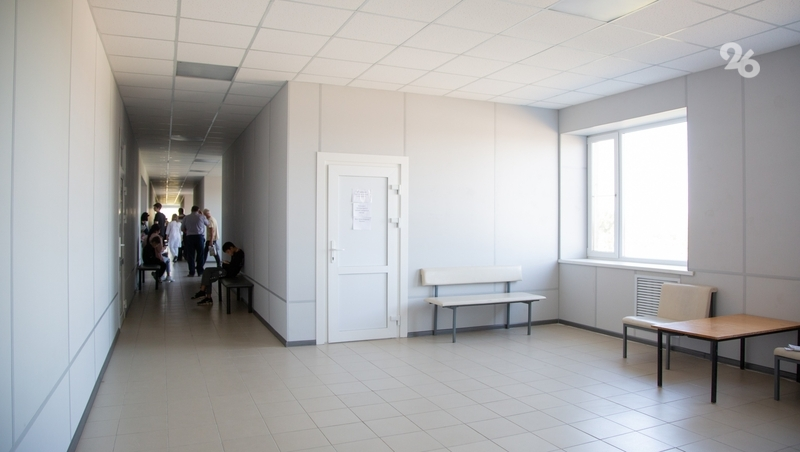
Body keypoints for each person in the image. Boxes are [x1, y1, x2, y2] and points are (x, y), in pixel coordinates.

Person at [182, 205, 208, 277]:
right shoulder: (202, 217)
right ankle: (200, 271)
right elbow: (208, 224)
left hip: (190, 237)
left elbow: (182, 228)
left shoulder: (186, 217)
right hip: (199, 237)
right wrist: (202, 214)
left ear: (191, 210)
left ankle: (192, 272)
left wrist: (187, 232)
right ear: (198, 210)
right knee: (200, 254)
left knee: (190, 255)